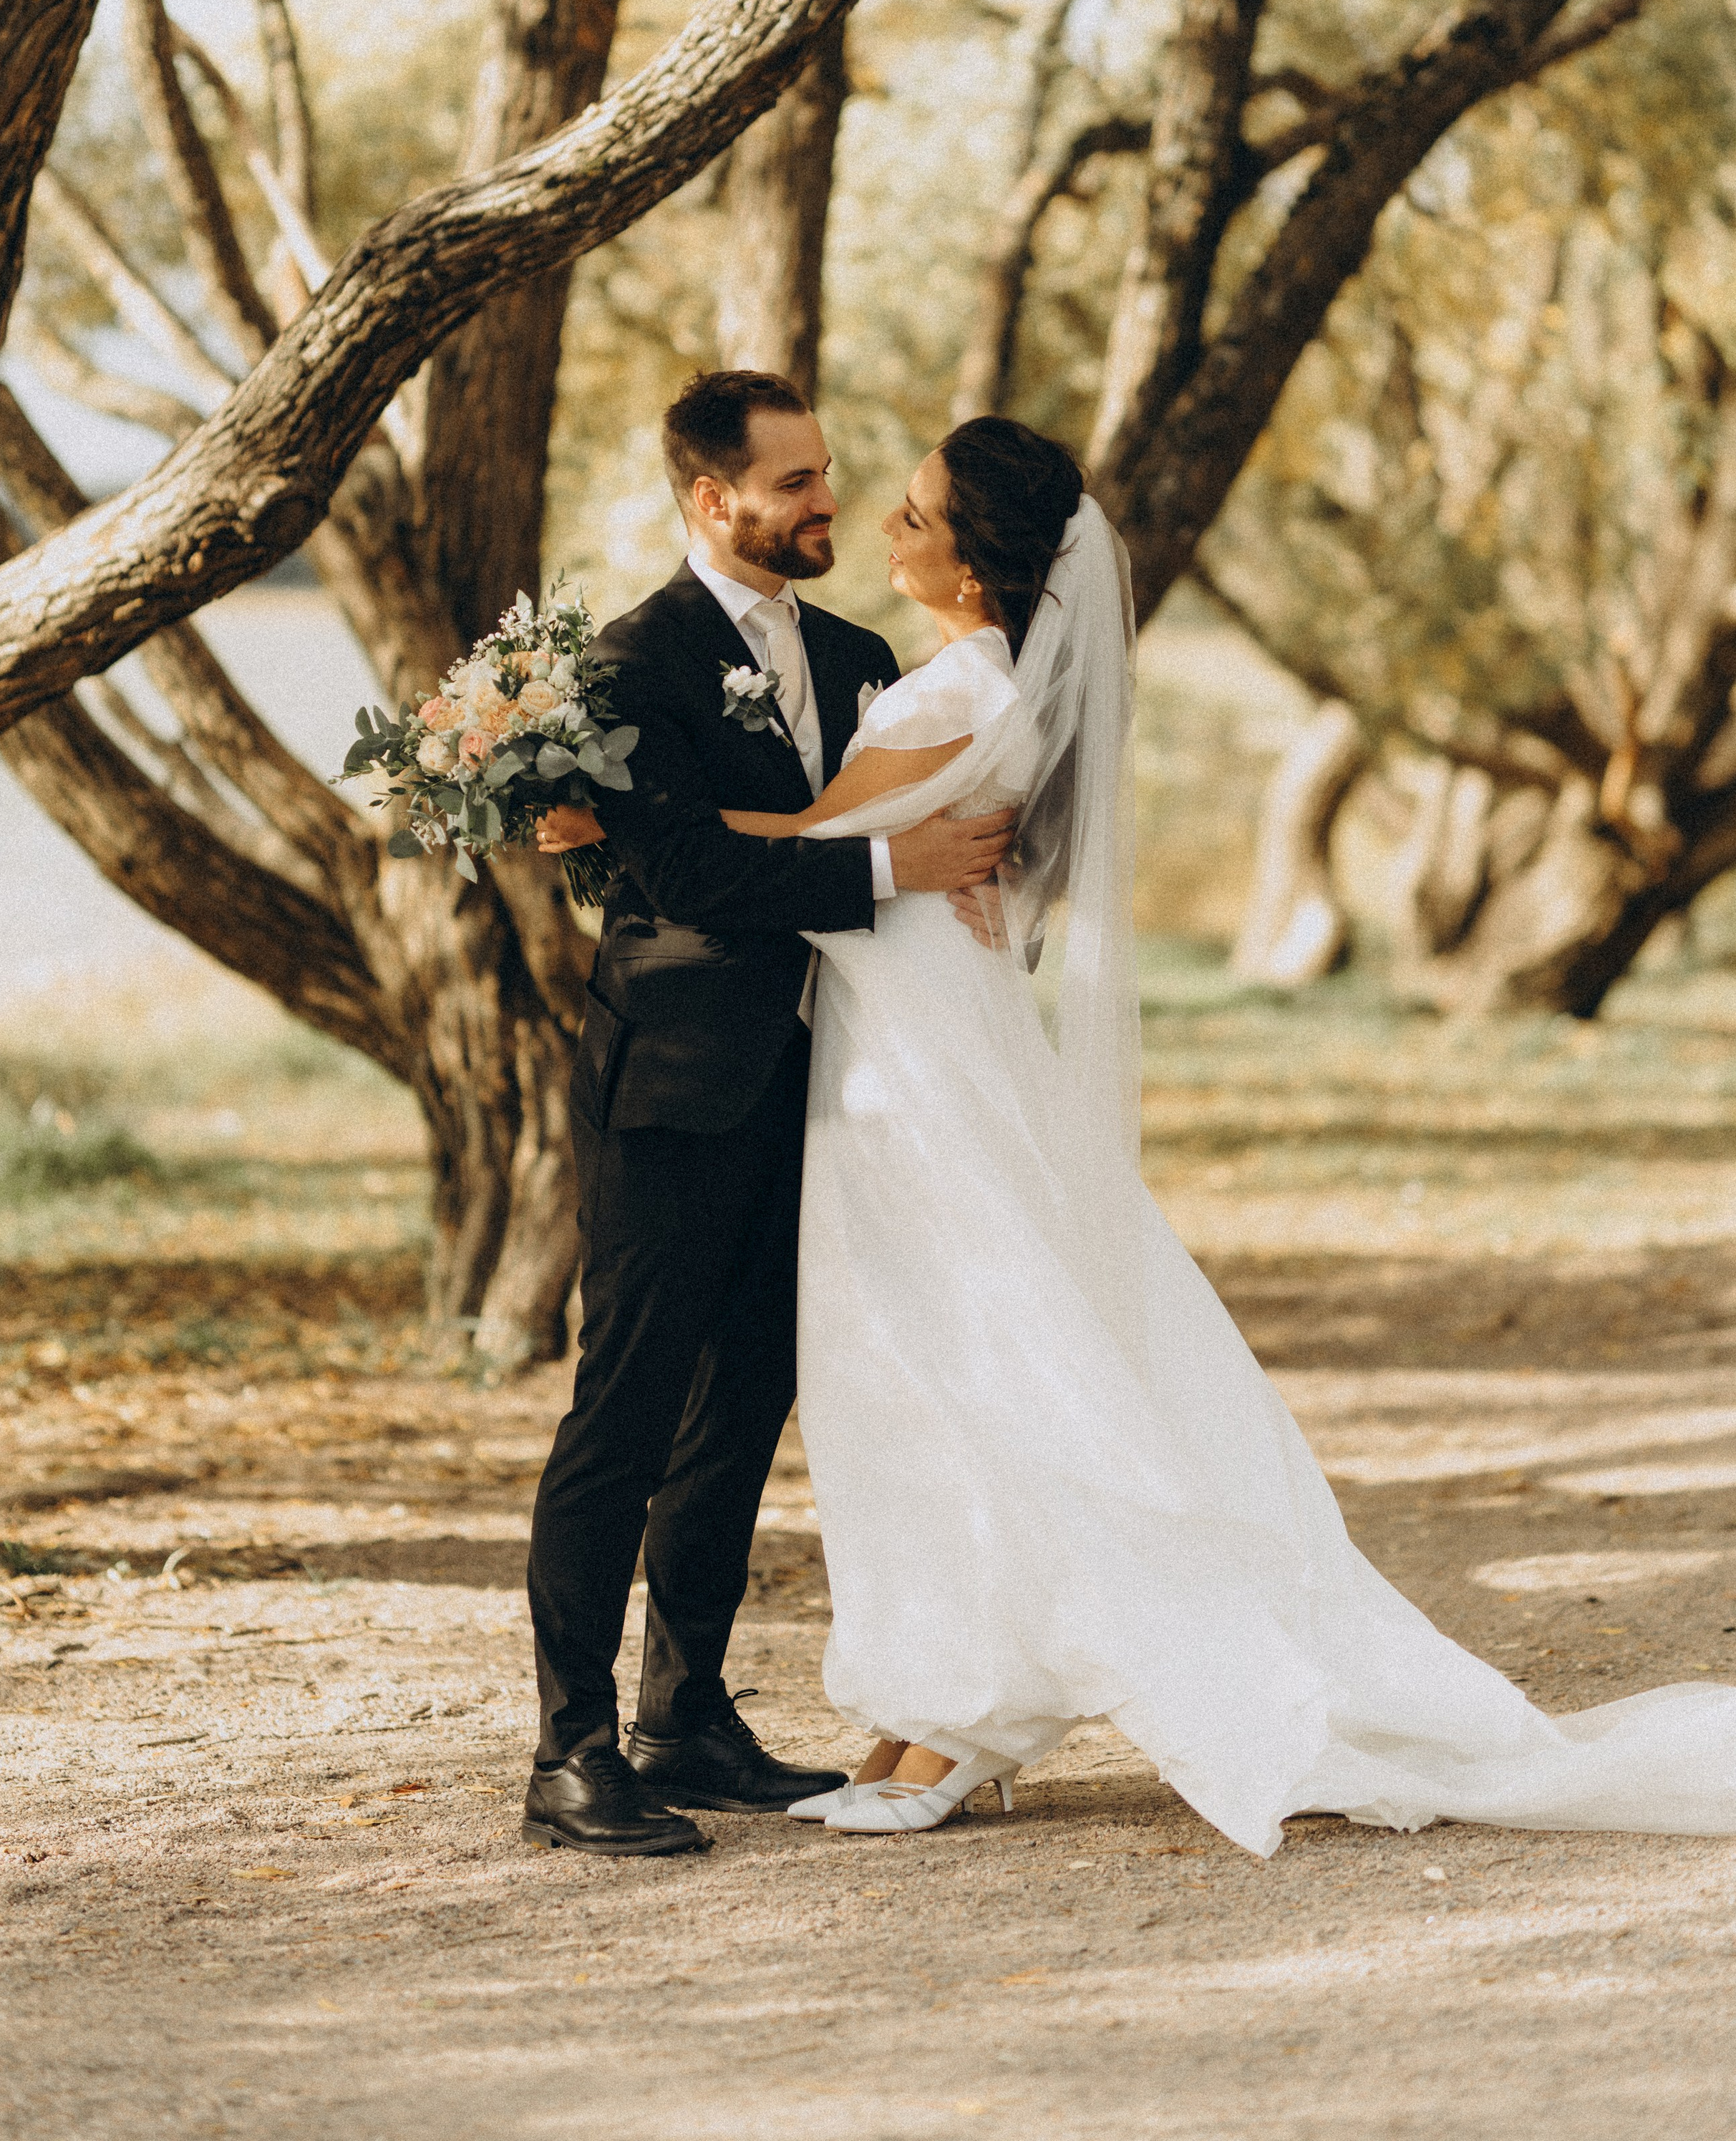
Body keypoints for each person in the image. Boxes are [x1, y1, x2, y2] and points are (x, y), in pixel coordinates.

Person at [701, 415, 1736, 1850]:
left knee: (958, 1369)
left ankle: (955, 1720)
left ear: (975, 568)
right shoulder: (975, 684)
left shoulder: (957, 693)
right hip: (915, 1034)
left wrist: (593, 807)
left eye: (918, 518)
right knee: (930, 1366)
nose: (886, 527)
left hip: (923, 1064)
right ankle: (935, 1710)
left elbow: (799, 844)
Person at [520, 372, 1017, 1857]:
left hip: (822, 1086)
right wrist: (895, 870)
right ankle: (570, 1751)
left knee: (740, 1408)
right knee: (623, 1409)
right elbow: (678, 874)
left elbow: (898, 808)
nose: (825, 503)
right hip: (674, 1081)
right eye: (793, 481)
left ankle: (685, 1716)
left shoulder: (860, 656)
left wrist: (963, 872)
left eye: (825, 473)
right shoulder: (629, 667)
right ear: (711, 498)